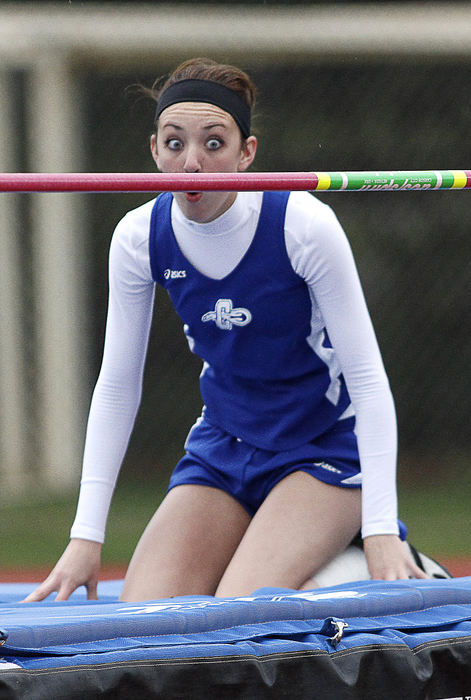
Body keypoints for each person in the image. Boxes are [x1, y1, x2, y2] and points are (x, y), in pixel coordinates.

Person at [25, 57, 427, 604]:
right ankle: (305, 563)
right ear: (154, 152)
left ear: (247, 154)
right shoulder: (139, 237)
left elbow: (366, 378)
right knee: (148, 615)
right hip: (224, 446)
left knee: (238, 610)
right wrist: (84, 537)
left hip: (322, 449)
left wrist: (381, 525)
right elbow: (118, 386)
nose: (192, 163)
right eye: (174, 143)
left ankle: (360, 561)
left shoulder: (302, 225)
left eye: (213, 144)